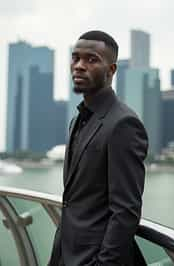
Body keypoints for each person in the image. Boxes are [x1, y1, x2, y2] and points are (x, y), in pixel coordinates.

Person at [48, 30, 148, 266]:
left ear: (111, 70)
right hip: (65, 253)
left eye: (91, 59)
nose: (79, 66)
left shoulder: (123, 124)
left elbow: (126, 211)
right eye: (75, 58)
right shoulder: (78, 120)